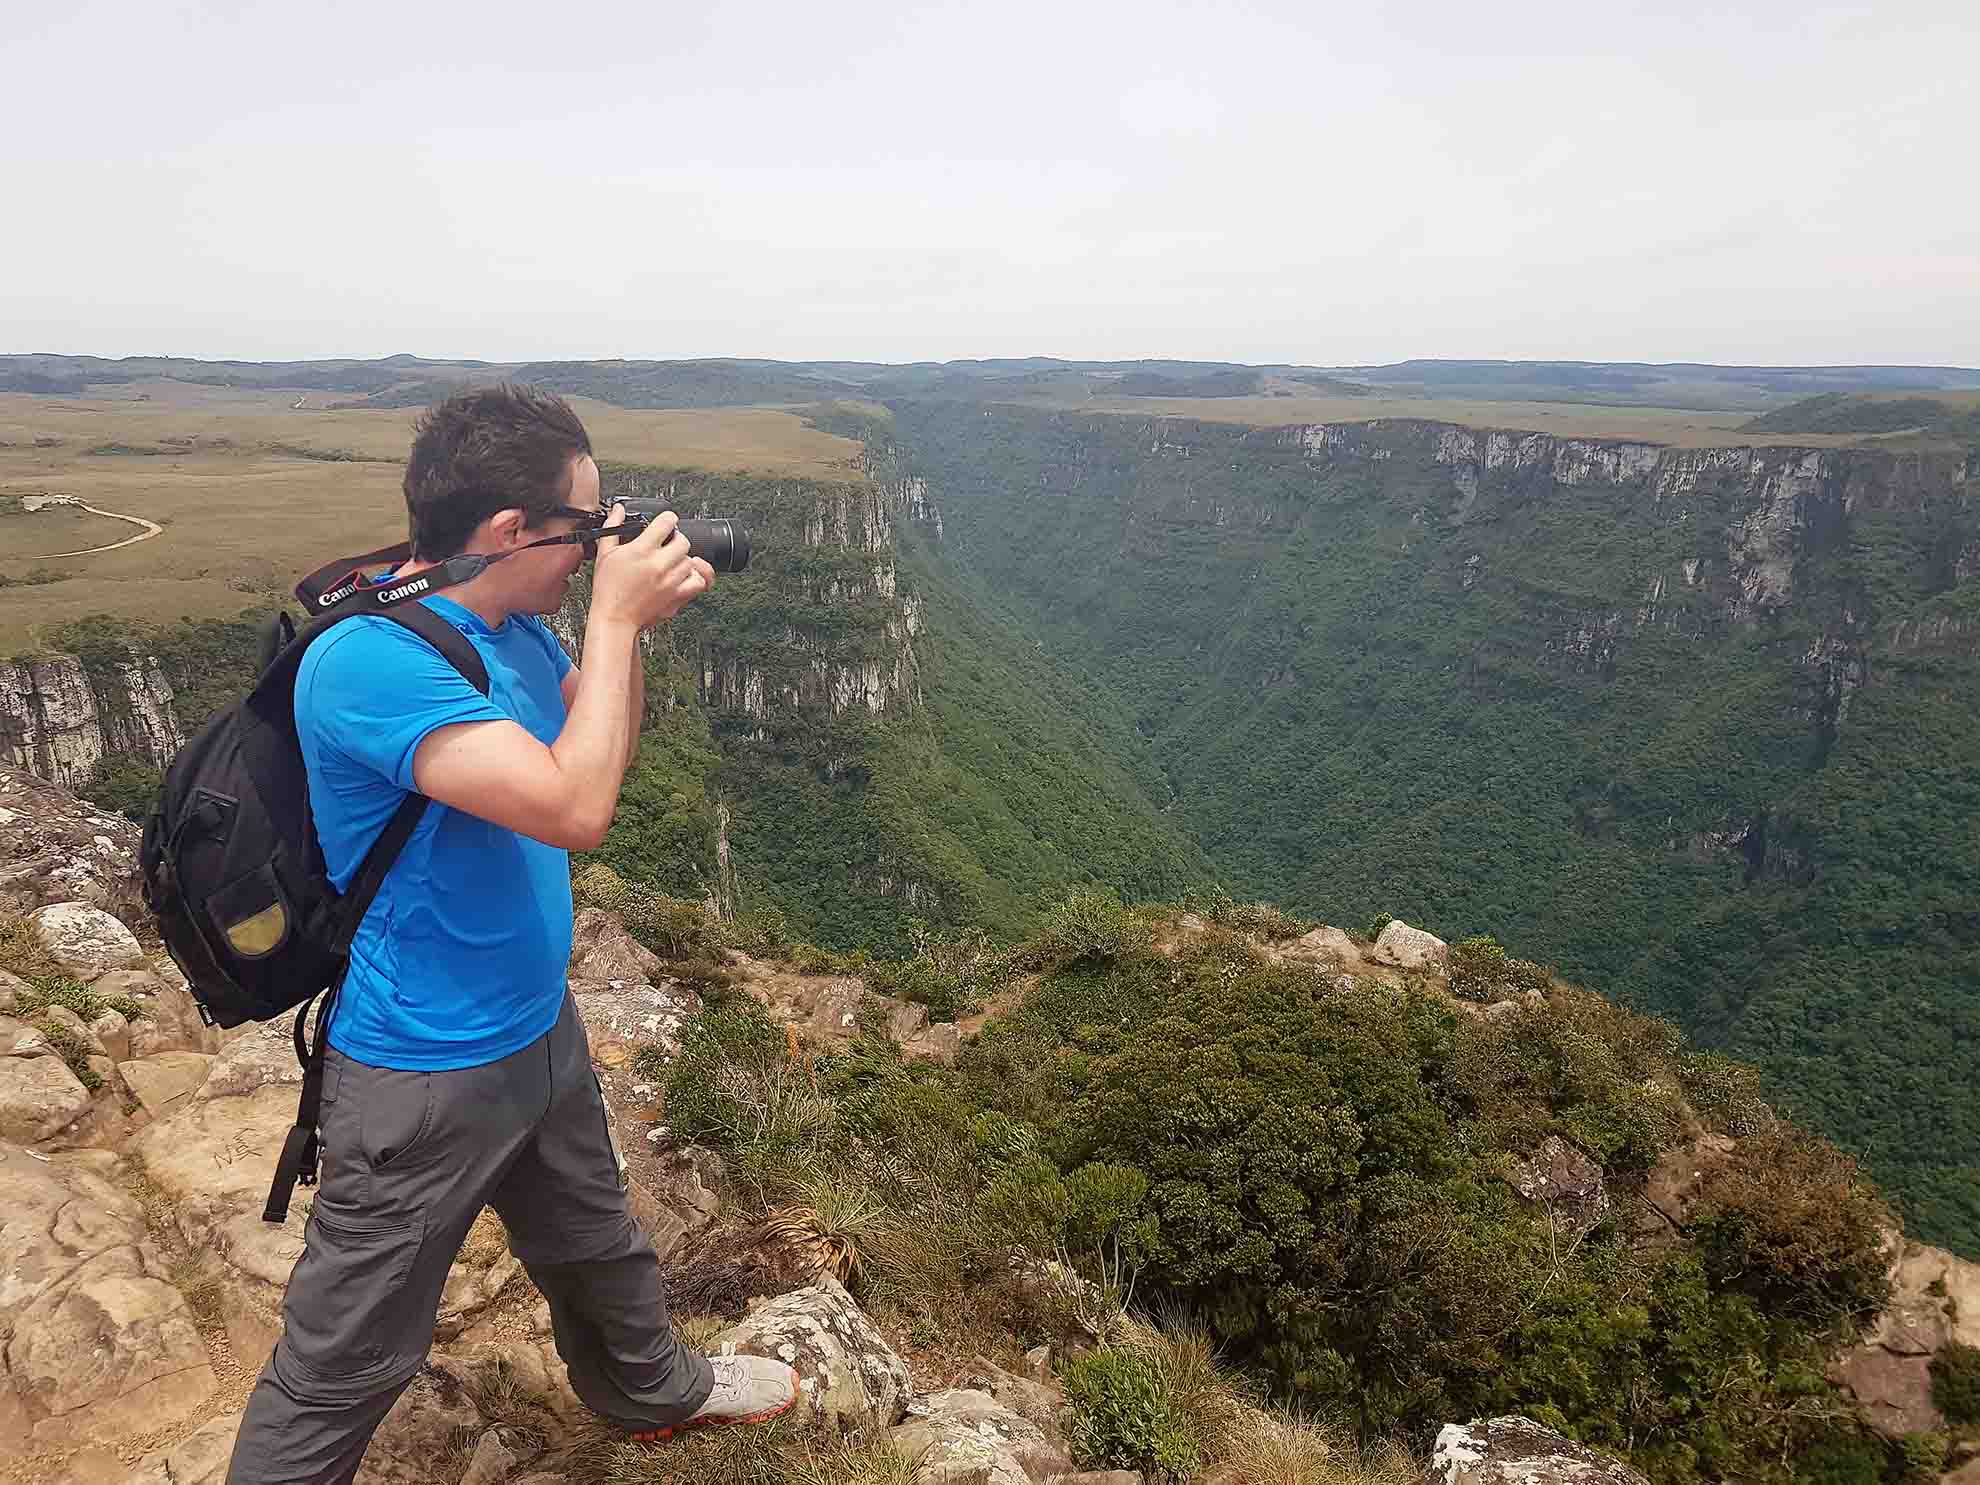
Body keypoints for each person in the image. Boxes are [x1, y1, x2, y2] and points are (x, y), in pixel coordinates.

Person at [226, 384, 797, 1484]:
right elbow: (575, 813)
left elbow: (600, 753)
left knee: (596, 1242)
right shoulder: (375, 663)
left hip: (538, 1027)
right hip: (421, 1070)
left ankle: (650, 1390)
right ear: (508, 532)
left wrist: (625, 628)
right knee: (348, 1352)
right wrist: (618, 617)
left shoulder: (516, 631)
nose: (596, 548)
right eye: (584, 529)